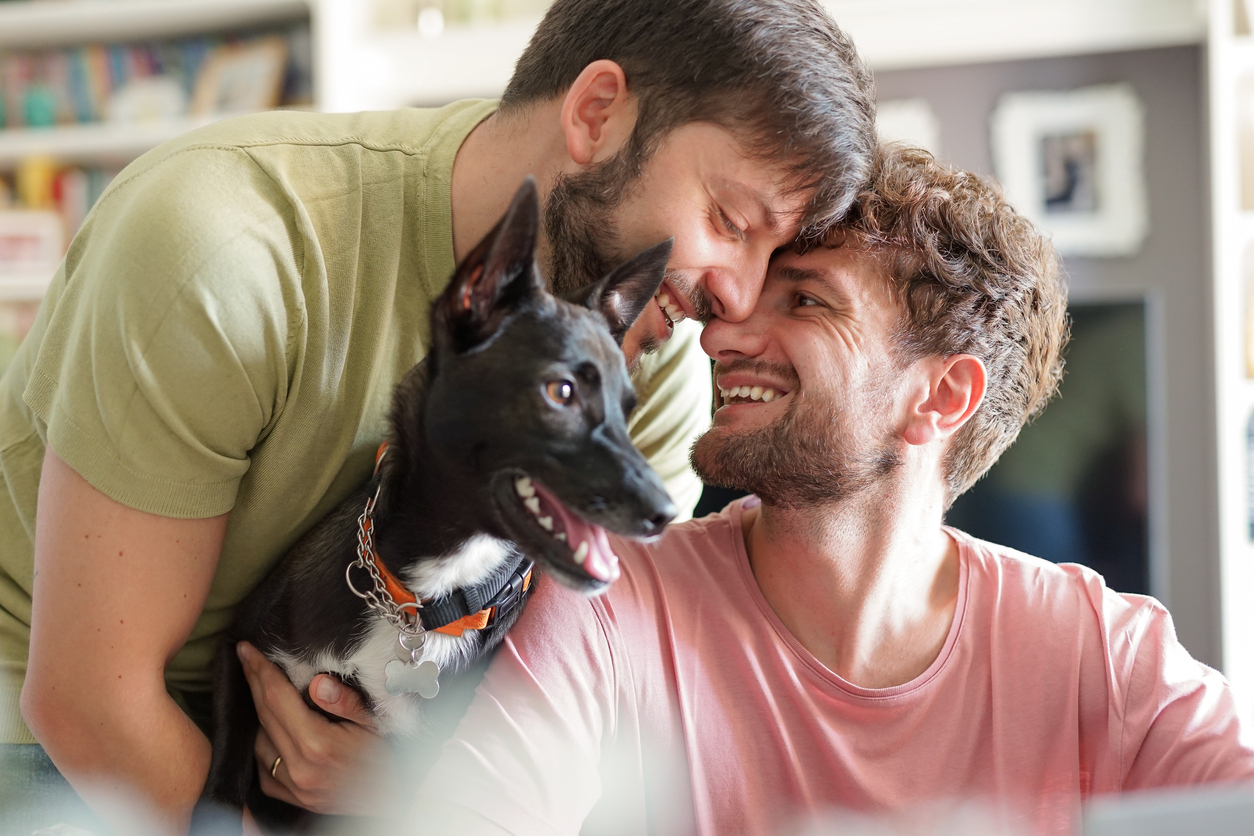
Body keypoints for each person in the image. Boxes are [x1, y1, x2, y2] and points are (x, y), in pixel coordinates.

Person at [0, 0, 876, 831]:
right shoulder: (228, 249)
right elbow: (88, 702)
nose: (737, 297)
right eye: (730, 220)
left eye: (773, 256)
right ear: (597, 112)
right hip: (67, 734)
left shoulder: (647, 365)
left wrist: (408, 788)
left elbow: (558, 717)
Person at [409, 145, 1254, 836]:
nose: (723, 336)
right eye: (745, 300)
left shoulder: (1105, 654)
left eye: (806, 300)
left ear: (940, 397)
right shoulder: (613, 602)